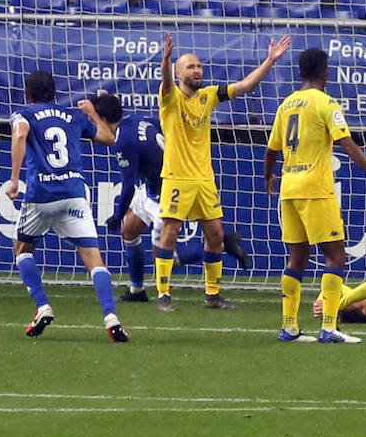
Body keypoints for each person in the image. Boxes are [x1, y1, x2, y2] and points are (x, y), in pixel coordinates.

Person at [264, 47, 366, 343]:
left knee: (297, 257)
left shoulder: (286, 104)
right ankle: (328, 327)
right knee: (335, 255)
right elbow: (347, 143)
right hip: (315, 188)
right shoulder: (326, 103)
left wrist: (267, 175)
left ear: (300, 72)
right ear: (325, 72)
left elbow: (272, 148)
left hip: (289, 187)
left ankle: (289, 327)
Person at [155, 31, 291, 312]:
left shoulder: (209, 95)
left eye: (199, 66)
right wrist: (166, 59)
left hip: (205, 179)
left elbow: (246, 86)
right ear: (179, 73)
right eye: (190, 67)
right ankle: (163, 293)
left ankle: (213, 295)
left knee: (216, 234)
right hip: (177, 176)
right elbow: (166, 82)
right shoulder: (170, 98)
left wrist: (270, 60)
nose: (197, 70)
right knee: (170, 231)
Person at [91, 93, 250, 303]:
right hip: (150, 187)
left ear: (102, 119)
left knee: (164, 258)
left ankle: (223, 245)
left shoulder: (124, 141)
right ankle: (137, 291)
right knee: (129, 232)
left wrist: (117, 215)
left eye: (94, 118)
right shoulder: (139, 120)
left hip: (165, 192)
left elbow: (128, 187)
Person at [6, 70, 128, 343]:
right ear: (54, 93)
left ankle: (43, 306)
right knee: (94, 259)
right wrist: (92, 113)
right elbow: (109, 138)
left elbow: (20, 135)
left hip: (41, 194)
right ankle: (111, 317)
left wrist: (14, 180)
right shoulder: (73, 116)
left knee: (22, 250)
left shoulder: (23, 113)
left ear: (28, 94)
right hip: (74, 192)